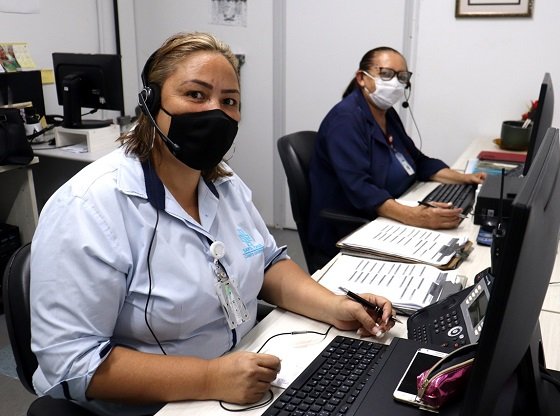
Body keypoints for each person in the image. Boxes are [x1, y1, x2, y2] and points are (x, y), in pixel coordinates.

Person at [29, 32, 395, 416]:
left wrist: (335, 306)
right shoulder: (89, 207)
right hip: (157, 406)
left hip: (243, 375)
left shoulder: (224, 182)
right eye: (195, 94)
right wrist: (209, 378)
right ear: (151, 102)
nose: (215, 112)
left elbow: (267, 263)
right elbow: (71, 363)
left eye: (229, 101)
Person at [308, 46, 486, 260]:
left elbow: (418, 161)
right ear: (362, 78)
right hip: (353, 227)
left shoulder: (386, 114)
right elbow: (360, 188)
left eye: (401, 77)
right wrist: (415, 216)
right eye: (386, 74)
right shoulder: (345, 120)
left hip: (394, 207)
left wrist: (466, 178)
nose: (394, 83)